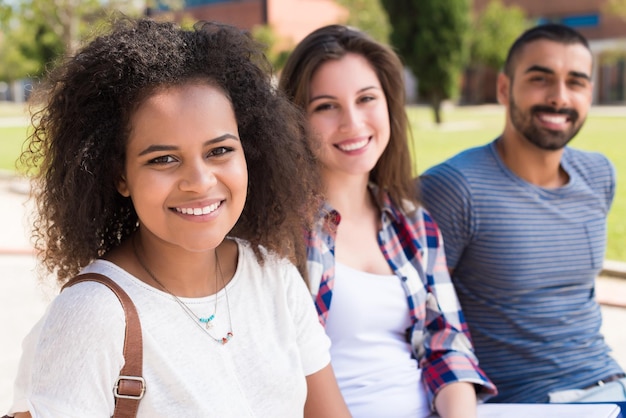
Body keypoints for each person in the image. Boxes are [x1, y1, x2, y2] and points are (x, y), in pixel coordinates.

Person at [5, 18, 351, 418]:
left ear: (249, 150)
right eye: (163, 159)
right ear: (120, 175)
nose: (199, 182)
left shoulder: (274, 277)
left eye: (219, 151)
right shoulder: (94, 314)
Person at [279, 24, 496, 418]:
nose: (353, 123)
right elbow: (276, 369)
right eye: (326, 106)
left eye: (366, 99)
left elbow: (446, 343)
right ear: (296, 119)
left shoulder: (414, 224)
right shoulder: (279, 229)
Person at [420, 23, 625, 404]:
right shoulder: (454, 188)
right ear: (503, 88)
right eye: (540, 79)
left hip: (610, 385)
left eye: (575, 82)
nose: (559, 97)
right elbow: (412, 318)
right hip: (527, 402)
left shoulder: (599, 175)